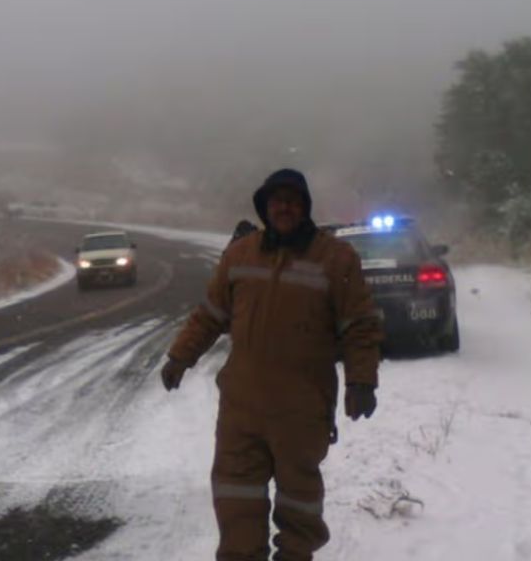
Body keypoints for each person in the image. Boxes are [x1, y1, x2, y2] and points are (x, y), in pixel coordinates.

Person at [161, 168, 384, 561]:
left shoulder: (336, 258)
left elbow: (360, 327)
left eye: (292, 200)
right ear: (264, 207)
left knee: (299, 503)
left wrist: (361, 381)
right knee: (235, 498)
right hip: (241, 408)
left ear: (305, 207)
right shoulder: (240, 254)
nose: (284, 207)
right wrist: (181, 356)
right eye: (276, 200)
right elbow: (210, 314)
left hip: (302, 409)